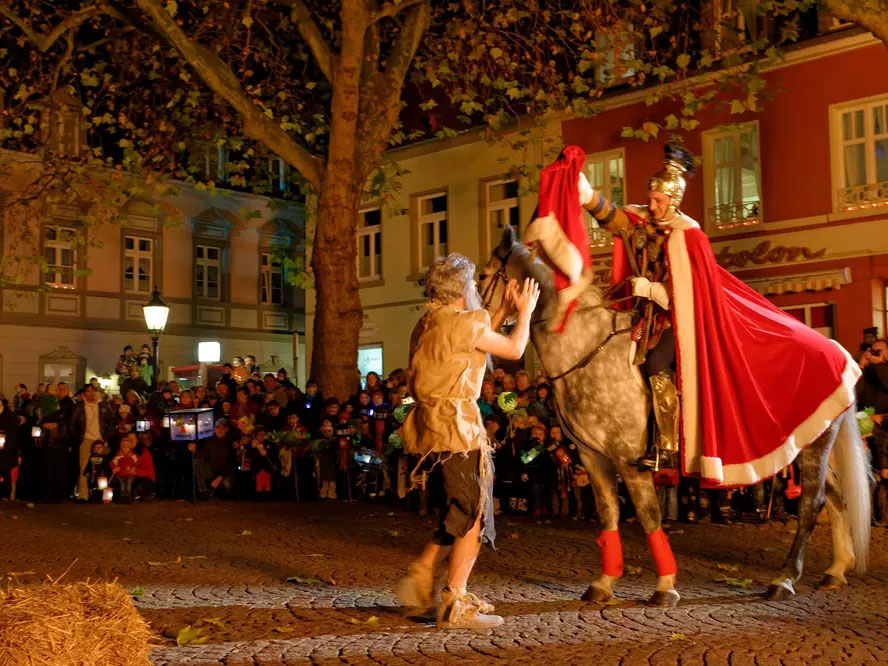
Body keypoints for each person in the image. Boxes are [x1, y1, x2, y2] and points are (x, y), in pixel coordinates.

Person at [577, 141, 860, 485]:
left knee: (656, 363)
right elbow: (619, 220)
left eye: (659, 201)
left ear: (674, 201)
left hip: (683, 320)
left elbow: (691, 293)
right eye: (651, 199)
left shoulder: (689, 236)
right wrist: (588, 197)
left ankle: (665, 446)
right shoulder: (647, 222)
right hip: (650, 318)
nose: (652, 206)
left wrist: (651, 290)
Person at [395, 253, 539, 630]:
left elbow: (470, 341)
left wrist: (504, 309)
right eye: (473, 284)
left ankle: (421, 577)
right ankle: (455, 602)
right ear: (463, 290)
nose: (475, 289)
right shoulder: (462, 322)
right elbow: (513, 350)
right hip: (457, 428)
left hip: (434, 427)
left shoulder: (430, 321)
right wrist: (524, 313)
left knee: (459, 510)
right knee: (472, 513)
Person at [858, 338, 888, 523]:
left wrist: (879, 365)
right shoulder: (867, 371)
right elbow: (856, 394)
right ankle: (870, 516)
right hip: (868, 416)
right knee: (866, 468)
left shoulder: (883, 370)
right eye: (873, 350)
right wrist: (861, 366)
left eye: (879, 350)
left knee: (884, 470)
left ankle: (884, 516)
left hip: (885, 421)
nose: (875, 354)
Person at [72, 384, 116, 501]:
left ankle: (101, 495)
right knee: (84, 467)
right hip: (86, 439)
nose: (90, 393)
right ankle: (83, 495)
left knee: (103, 467)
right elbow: (72, 423)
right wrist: (79, 437)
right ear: (84, 393)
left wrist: (106, 437)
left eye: (92, 391)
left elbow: (111, 421)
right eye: (88, 391)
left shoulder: (103, 405)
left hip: (100, 439)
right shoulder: (79, 406)